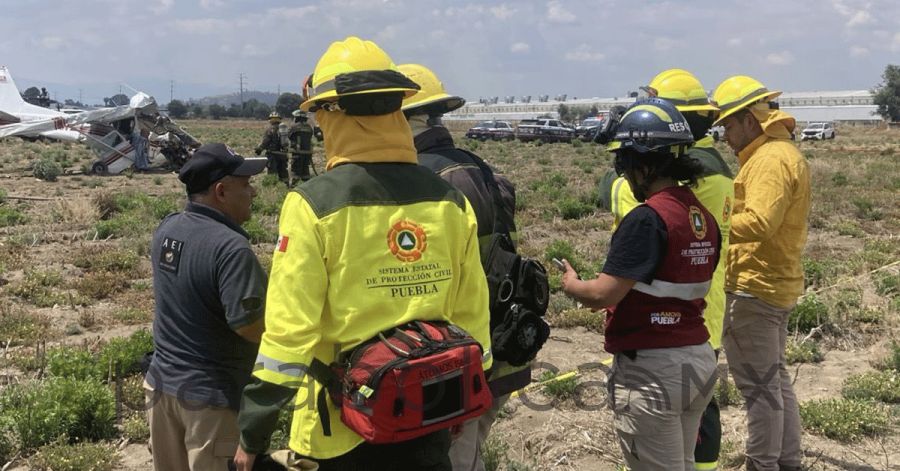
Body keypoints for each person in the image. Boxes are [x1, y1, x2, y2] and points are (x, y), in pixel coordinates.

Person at [233, 37, 492, 471]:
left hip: (342, 431)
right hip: (428, 417)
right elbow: (472, 315)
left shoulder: (311, 204)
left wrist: (253, 432)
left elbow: (288, 335)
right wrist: (463, 398)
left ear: (333, 114)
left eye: (318, 113)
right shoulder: (449, 201)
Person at [561, 98, 719, 471]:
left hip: (653, 367)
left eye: (624, 163)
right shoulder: (701, 216)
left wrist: (571, 284)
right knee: (682, 463)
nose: (623, 173)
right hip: (698, 357)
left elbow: (603, 294)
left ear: (644, 164)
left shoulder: (647, 219)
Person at [597, 69, 733, 471]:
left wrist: (574, 285)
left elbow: (620, 203)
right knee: (691, 442)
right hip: (700, 323)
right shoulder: (711, 184)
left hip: (656, 341)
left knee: (661, 452)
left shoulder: (652, 209)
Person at [398, 63, 527, 471]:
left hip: (455, 355)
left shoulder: (419, 180)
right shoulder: (476, 166)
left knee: (452, 457)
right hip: (499, 343)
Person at [145, 142, 268, 471]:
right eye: (245, 185)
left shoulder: (167, 228)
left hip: (161, 387)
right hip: (209, 401)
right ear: (221, 191)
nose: (253, 193)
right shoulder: (231, 248)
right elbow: (248, 326)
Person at [711, 76, 810, 471]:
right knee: (774, 382)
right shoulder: (778, 153)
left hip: (755, 288)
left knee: (759, 389)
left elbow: (760, 222)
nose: (725, 135)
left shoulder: (770, 159)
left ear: (750, 120)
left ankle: (762, 464)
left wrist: (711, 223)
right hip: (774, 284)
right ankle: (787, 461)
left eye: (728, 126)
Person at [256, 111, 289, 185]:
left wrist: (259, 149)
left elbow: (265, 142)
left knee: (272, 173)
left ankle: (272, 187)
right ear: (279, 119)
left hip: (273, 155)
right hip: (283, 155)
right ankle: (286, 186)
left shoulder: (270, 129)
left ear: (270, 120)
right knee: (283, 171)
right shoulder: (284, 129)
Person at [288, 109, 315, 184]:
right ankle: (308, 188)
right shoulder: (309, 127)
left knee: (295, 173)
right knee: (305, 172)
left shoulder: (294, 126)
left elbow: (289, 136)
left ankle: (293, 188)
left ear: (297, 118)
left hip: (297, 153)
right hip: (307, 153)